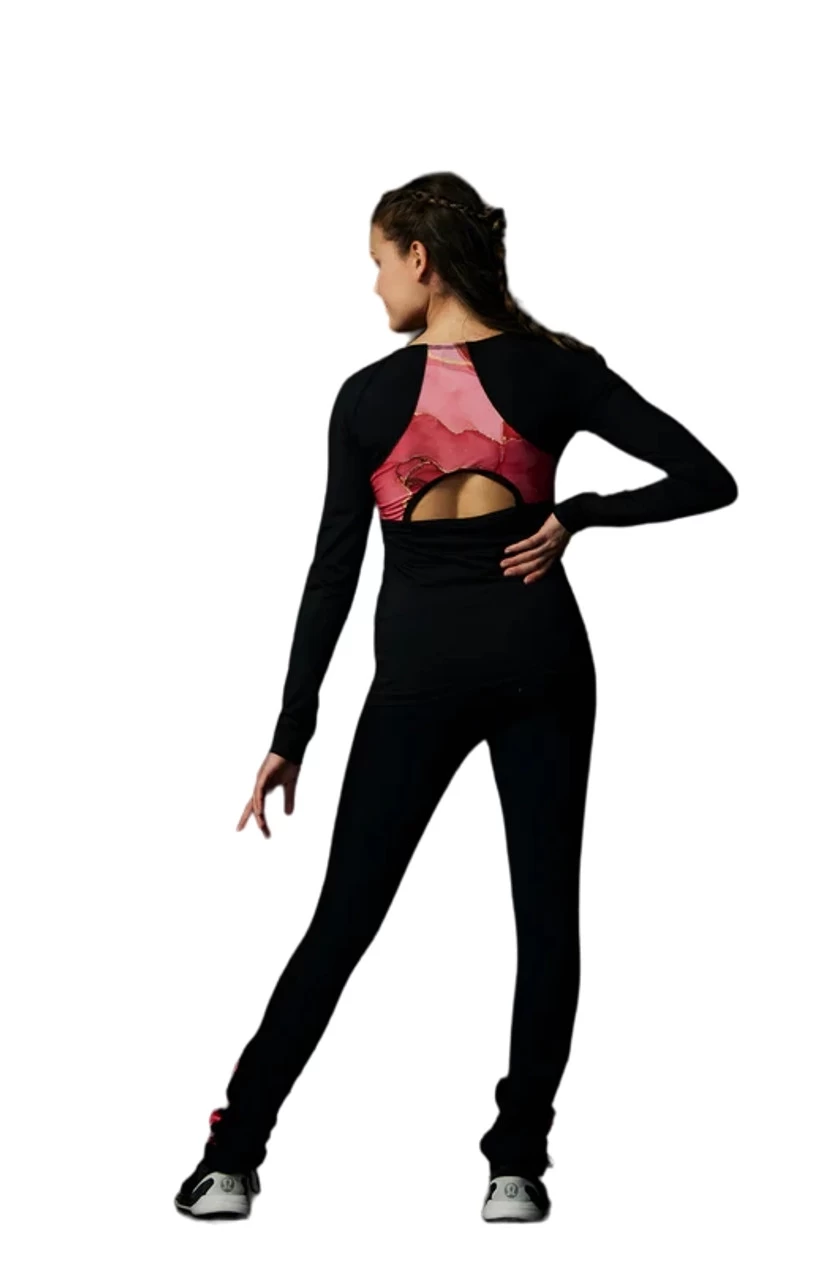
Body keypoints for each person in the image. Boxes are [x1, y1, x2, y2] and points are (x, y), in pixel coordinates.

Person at [174, 171, 738, 1223]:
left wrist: (293, 728)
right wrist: (578, 514)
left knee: (342, 921)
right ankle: (516, 1165)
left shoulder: (366, 397)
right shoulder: (558, 368)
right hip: (541, 659)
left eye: (378, 262)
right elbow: (708, 477)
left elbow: (333, 572)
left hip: (420, 682)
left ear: (420, 260)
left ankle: (231, 1158)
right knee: (546, 916)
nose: (374, 285)